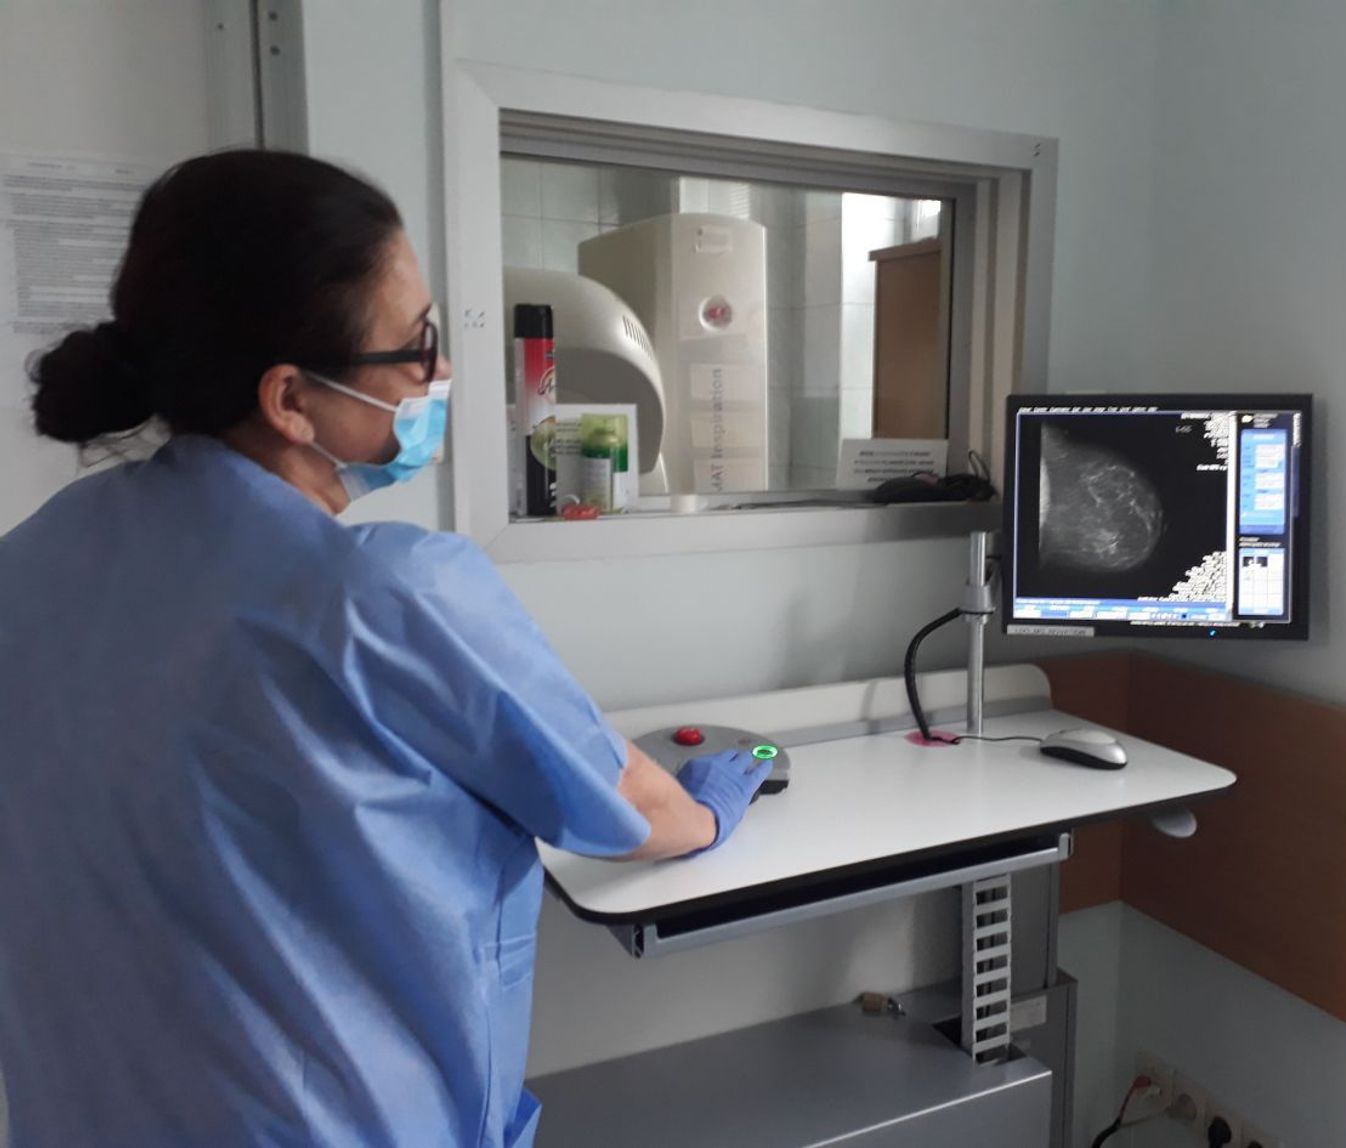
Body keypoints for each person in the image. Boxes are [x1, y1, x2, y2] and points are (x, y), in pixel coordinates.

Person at [0, 149, 771, 1148]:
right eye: (417, 347)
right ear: (290, 398)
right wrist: (715, 802)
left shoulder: (29, 562)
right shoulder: (381, 592)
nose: (442, 374)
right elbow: (625, 809)